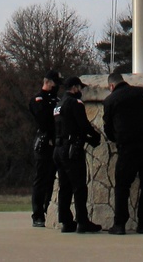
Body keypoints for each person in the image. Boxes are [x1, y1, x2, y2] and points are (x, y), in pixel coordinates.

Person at [103, 69, 143, 235]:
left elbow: (108, 129)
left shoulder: (109, 101)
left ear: (111, 85)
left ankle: (120, 224)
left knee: (122, 186)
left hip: (127, 147)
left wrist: (117, 138)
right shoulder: (140, 92)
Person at [53, 75, 102, 233]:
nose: (81, 91)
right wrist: (95, 137)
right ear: (74, 87)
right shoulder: (75, 103)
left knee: (64, 187)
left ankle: (66, 221)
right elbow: (83, 125)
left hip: (59, 149)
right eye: (80, 88)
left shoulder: (58, 104)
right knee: (79, 186)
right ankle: (82, 221)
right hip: (71, 149)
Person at [28, 69, 60, 227]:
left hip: (57, 142)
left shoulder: (57, 99)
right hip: (44, 142)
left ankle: (49, 209)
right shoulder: (38, 99)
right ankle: (38, 214)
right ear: (48, 82)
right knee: (41, 179)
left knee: (53, 179)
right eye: (55, 83)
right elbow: (44, 121)